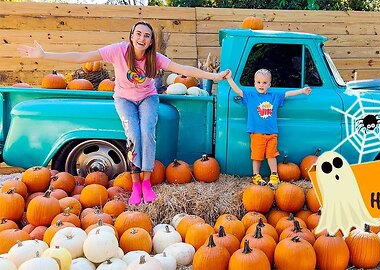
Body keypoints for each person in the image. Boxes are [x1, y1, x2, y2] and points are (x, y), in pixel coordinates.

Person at [18, 21, 229, 205]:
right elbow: (83, 56)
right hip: (124, 99)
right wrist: (44, 55)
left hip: (148, 98)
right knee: (133, 136)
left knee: (147, 132)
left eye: (147, 35)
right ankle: (135, 184)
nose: (142, 38)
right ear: (131, 36)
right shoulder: (118, 51)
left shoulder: (155, 58)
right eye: (138, 34)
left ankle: (147, 184)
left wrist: (215, 75)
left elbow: (184, 69)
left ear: (150, 41)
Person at [225, 68, 311, 187]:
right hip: (256, 133)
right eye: (258, 82)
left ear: (269, 84)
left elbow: (287, 94)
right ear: (254, 83)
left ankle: (274, 176)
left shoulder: (274, 96)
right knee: (257, 156)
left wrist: (302, 91)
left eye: (265, 83)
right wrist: (229, 78)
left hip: (271, 133)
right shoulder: (250, 96)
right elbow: (237, 90)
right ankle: (256, 176)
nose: (261, 85)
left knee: (272, 155)